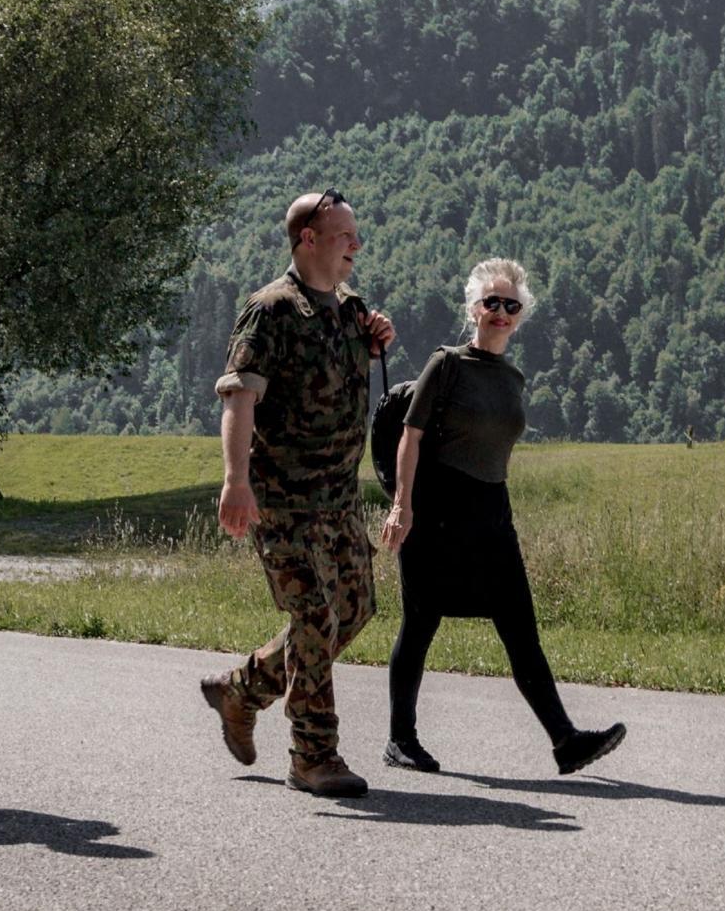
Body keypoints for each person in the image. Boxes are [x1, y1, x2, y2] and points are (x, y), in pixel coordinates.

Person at [381, 259, 625, 778]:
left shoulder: (512, 377)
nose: (500, 312)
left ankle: (565, 741)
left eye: (511, 306)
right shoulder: (445, 365)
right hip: (439, 511)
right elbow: (411, 437)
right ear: (474, 308)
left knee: (520, 627)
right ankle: (400, 739)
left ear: (520, 316)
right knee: (420, 624)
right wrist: (402, 506)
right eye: (491, 303)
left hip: (493, 513)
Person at [199, 191, 397, 799]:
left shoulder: (350, 310)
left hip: (337, 499)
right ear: (307, 239)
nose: (356, 247)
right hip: (283, 500)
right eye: (344, 237)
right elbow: (239, 397)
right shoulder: (270, 311)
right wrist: (236, 482)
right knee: (313, 616)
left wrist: (377, 340)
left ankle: (244, 689)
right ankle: (315, 755)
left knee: (355, 610)